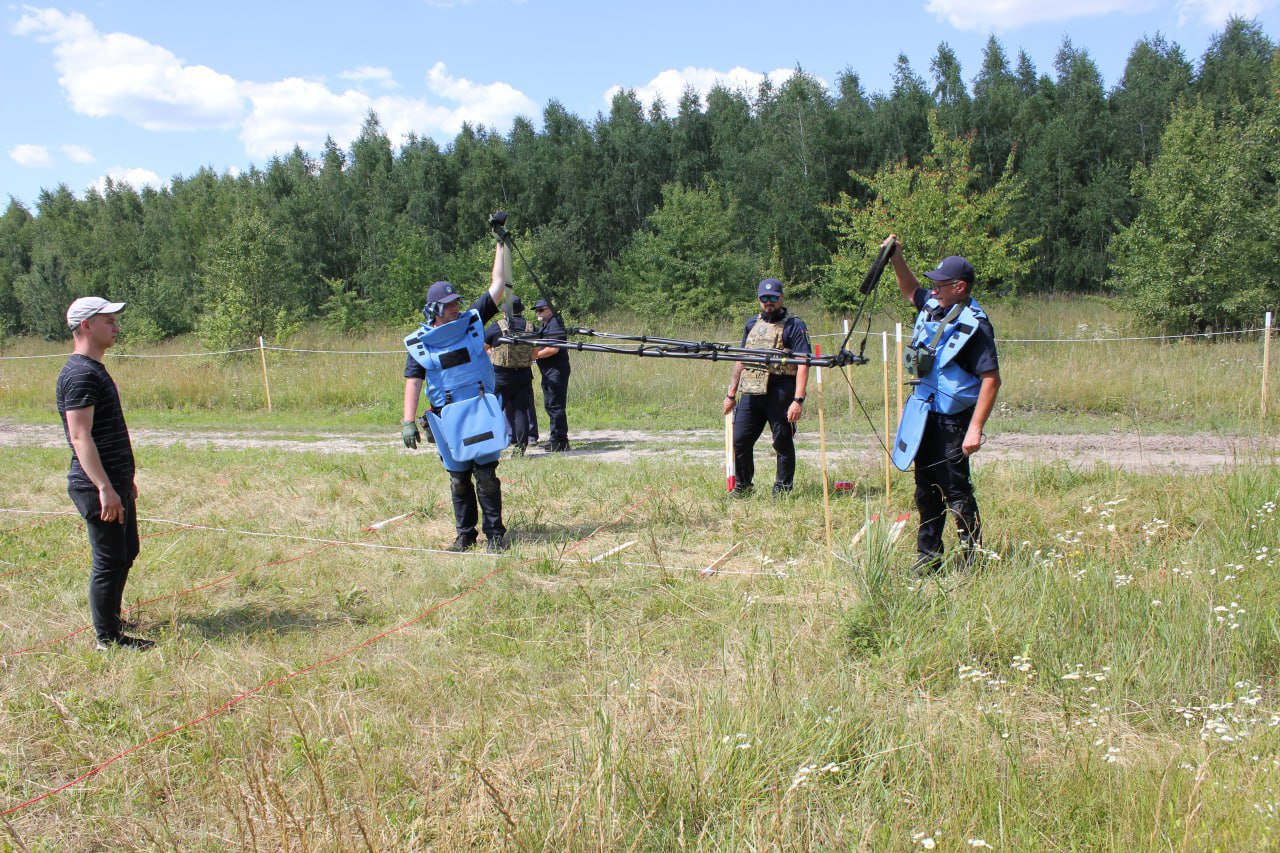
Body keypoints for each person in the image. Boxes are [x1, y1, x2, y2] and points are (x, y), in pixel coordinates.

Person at [883, 235, 1001, 574]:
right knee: (925, 490)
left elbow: (991, 379)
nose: (933, 289)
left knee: (956, 491)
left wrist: (975, 429)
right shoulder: (935, 307)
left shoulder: (974, 327)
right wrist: (896, 257)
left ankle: (971, 559)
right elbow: (910, 290)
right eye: (933, 284)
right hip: (924, 416)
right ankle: (929, 557)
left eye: (940, 284)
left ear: (960, 287)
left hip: (953, 422)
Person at [401, 228, 513, 552]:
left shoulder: (473, 321)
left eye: (456, 302)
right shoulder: (421, 344)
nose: (454, 307)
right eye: (447, 305)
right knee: (458, 478)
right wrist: (408, 421)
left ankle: (495, 536)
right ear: (434, 309)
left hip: (480, 411)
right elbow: (414, 380)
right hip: (446, 418)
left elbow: (497, 286)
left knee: (487, 475)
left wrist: (500, 243)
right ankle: (465, 535)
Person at [56, 297, 155, 651]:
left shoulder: (93, 369)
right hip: (96, 486)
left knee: (127, 551)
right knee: (110, 559)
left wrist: (124, 482)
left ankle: (111, 618)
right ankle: (108, 639)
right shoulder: (81, 373)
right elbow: (80, 436)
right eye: (108, 321)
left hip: (114, 482)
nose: (116, 327)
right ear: (86, 326)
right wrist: (104, 487)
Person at [721, 278, 811, 497]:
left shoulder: (794, 325)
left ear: (781, 297)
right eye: (764, 298)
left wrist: (798, 400)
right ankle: (743, 486)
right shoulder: (751, 324)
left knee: (782, 441)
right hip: (751, 390)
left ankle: (782, 490)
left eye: (773, 298)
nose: (768, 302)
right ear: (759, 299)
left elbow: (803, 363)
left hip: (781, 390)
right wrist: (731, 394)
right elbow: (741, 360)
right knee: (740, 439)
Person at [485, 295, 535, 455]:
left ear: (504, 312)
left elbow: (483, 346)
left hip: (501, 376)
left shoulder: (497, 326)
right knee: (521, 411)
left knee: (495, 410)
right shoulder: (530, 327)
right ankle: (521, 448)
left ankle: (490, 445)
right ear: (521, 310)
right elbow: (534, 352)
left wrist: (493, 354)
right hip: (524, 375)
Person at [531, 298, 571, 452]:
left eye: (540, 310)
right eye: (536, 310)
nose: (538, 313)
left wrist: (534, 355)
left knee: (555, 404)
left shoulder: (555, 324)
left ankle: (561, 440)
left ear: (550, 309)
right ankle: (555, 437)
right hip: (547, 371)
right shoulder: (544, 325)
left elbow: (553, 349)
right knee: (550, 404)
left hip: (556, 371)